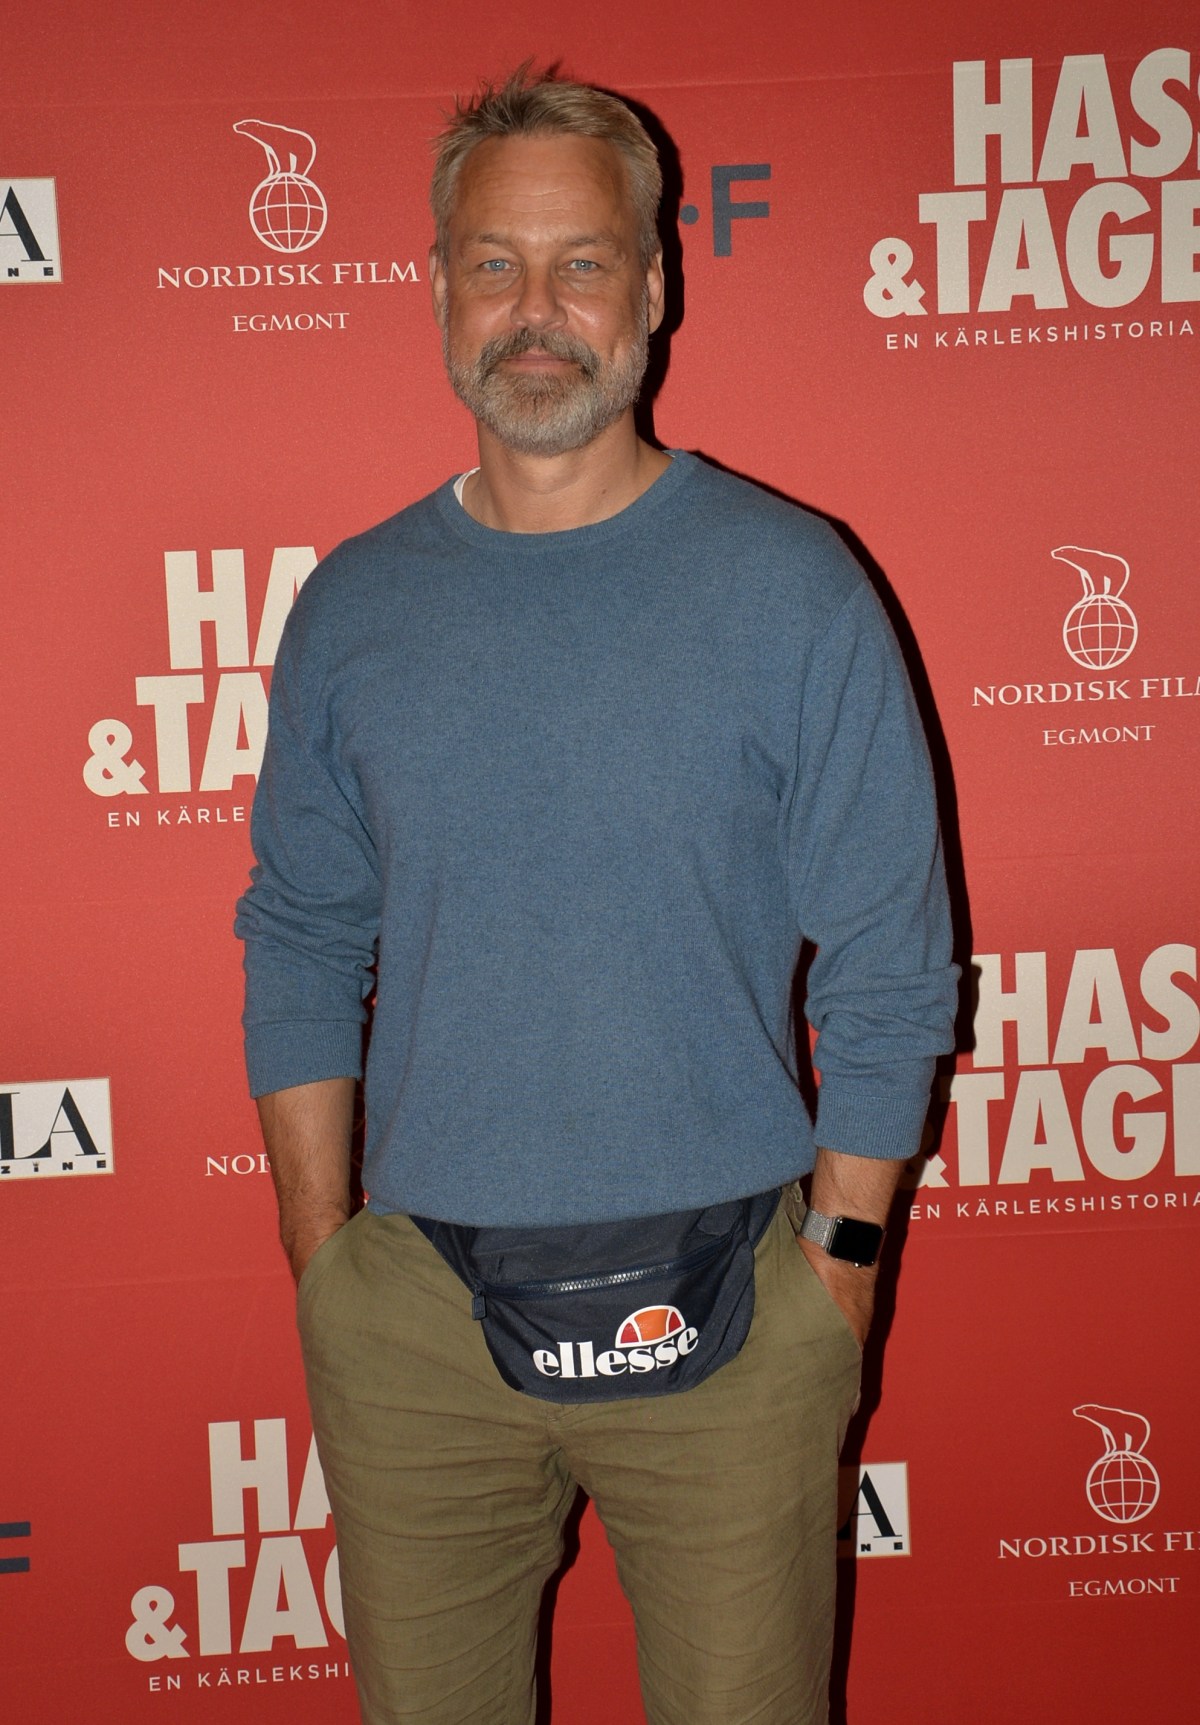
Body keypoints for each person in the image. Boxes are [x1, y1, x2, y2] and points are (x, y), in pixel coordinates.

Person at [235, 65, 958, 1725]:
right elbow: (302, 931)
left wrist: (838, 1274)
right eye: (495, 263)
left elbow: (891, 960)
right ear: (438, 284)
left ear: (655, 283)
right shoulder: (353, 608)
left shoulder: (794, 585)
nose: (536, 311)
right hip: (417, 1334)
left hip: (738, 1322)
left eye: (581, 263)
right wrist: (327, 1266)